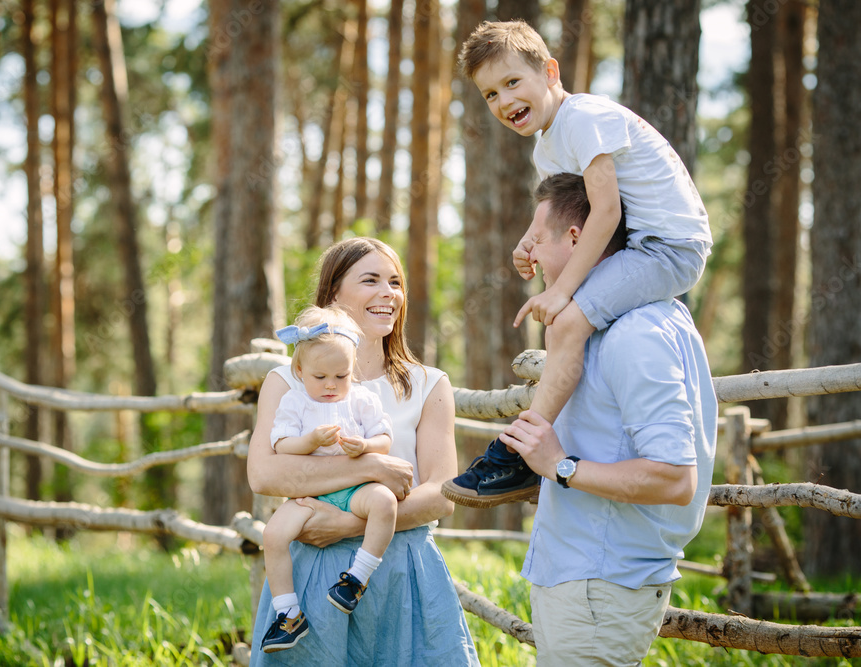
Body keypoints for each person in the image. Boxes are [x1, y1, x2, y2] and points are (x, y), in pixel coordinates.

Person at [443, 19, 713, 508]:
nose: (504, 102)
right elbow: (557, 207)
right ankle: (527, 446)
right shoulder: (546, 145)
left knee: (566, 324)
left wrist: (562, 289)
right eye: (490, 95)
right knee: (568, 323)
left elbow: (606, 209)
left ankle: (518, 454)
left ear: (549, 71)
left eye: (511, 83)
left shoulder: (585, 117)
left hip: (668, 247)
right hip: (633, 245)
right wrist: (528, 242)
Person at [503, 173, 717, 665]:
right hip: (589, 577)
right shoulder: (626, 320)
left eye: (536, 240)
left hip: (601, 585)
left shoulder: (635, 334)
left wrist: (560, 465)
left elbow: (674, 478)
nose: (528, 256)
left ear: (575, 239)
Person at [247, 237, 480, 665]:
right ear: (333, 293)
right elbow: (265, 474)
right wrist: (370, 465)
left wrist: (349, 525)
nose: (387, 293)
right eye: (370, 280)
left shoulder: (430, 384)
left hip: (401, 571)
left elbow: (441, 494)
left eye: (395, 282)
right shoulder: (288, 382)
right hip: (312, 570)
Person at [260, 305, 397, 653]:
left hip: (356, 489)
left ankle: (357, 578)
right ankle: (288, 614)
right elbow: (281, 444)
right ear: (300, 370)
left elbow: (384, 438)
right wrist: (310, 442)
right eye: (320, 378)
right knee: (273, 535)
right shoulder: (294, 402)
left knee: (385, 502)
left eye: (342, 376)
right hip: (312, 494)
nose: (332, 386)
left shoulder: (363, 399)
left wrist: (364, 445)